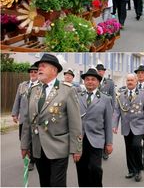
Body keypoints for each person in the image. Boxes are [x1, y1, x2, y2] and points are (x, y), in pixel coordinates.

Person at [20, 54, 83, 187]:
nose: (39, 69)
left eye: (43, 66)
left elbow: (75, 122)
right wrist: (24, 145)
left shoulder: (67, 90)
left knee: (57, 183)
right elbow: (27, 121)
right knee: (44, 182)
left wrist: (77, 148)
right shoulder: (33, 90)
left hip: (59, 146)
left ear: (54, 70)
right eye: (38, 66)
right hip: (38, 147)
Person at [76, 68, 113, 187]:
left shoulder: (106, 99)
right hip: (79, 140)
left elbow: (108, 123)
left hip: (97, 139)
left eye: (93, 79)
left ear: (98, 82)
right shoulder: (76, 97)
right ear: (84, 82)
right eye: (87, 79)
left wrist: (109, 143)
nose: (90, 82)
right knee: (81, 169)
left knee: (95, 168)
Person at [113, 73, 144, 182]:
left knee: (136, 146)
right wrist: (114, 125)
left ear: (136, 82)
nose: (129, 82)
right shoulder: (121, 95)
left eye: (132, 80)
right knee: (129, 148)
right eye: (128, 80)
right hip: (126, 126)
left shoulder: (143, 94)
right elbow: (117, 111)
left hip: (139, 126)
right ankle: (131, 170)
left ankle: (138, 170)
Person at [11, 65, 38, 171]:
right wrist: (15, 113)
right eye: (31, 72)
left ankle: (32, 161)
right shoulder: (22, 85)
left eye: (35, 72)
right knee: (22, 139)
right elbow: (17, 99)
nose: (33, 73)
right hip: (23, 119)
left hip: (35, 120)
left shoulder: (41, 86)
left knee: (33, 140)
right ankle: (29, 156)